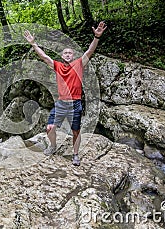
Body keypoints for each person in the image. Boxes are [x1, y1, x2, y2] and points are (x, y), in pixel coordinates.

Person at [23, 21, 107, 166]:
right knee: (49, 128)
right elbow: (44, 57)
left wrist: (97, 37)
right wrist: (33, 44)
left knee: (75, 131)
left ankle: (75, 154)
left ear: (73, 56)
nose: (68, 55)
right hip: (61, 103)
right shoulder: (58, 66)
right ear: (62, 56)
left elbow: (89, 51)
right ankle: (53, 146)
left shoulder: (79, 64)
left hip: (75, 104)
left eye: (70, 53)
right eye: (65, 53)